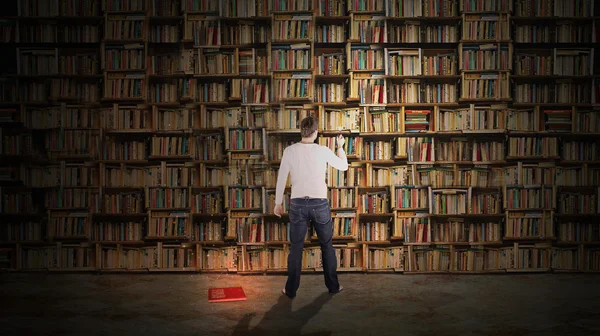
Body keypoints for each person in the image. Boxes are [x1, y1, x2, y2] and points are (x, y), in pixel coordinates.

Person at [273, 115, 348, 299]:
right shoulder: (322, 150)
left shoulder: (289, 151)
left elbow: (282, 177)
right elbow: (343, 166)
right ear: (315, 132)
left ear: (301, 131)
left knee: (296, 248)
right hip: (319, 203)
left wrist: (277, 203)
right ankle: (333, 287)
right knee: (326, 247)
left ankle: (290, 290)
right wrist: (340, 147)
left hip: (298, 203)